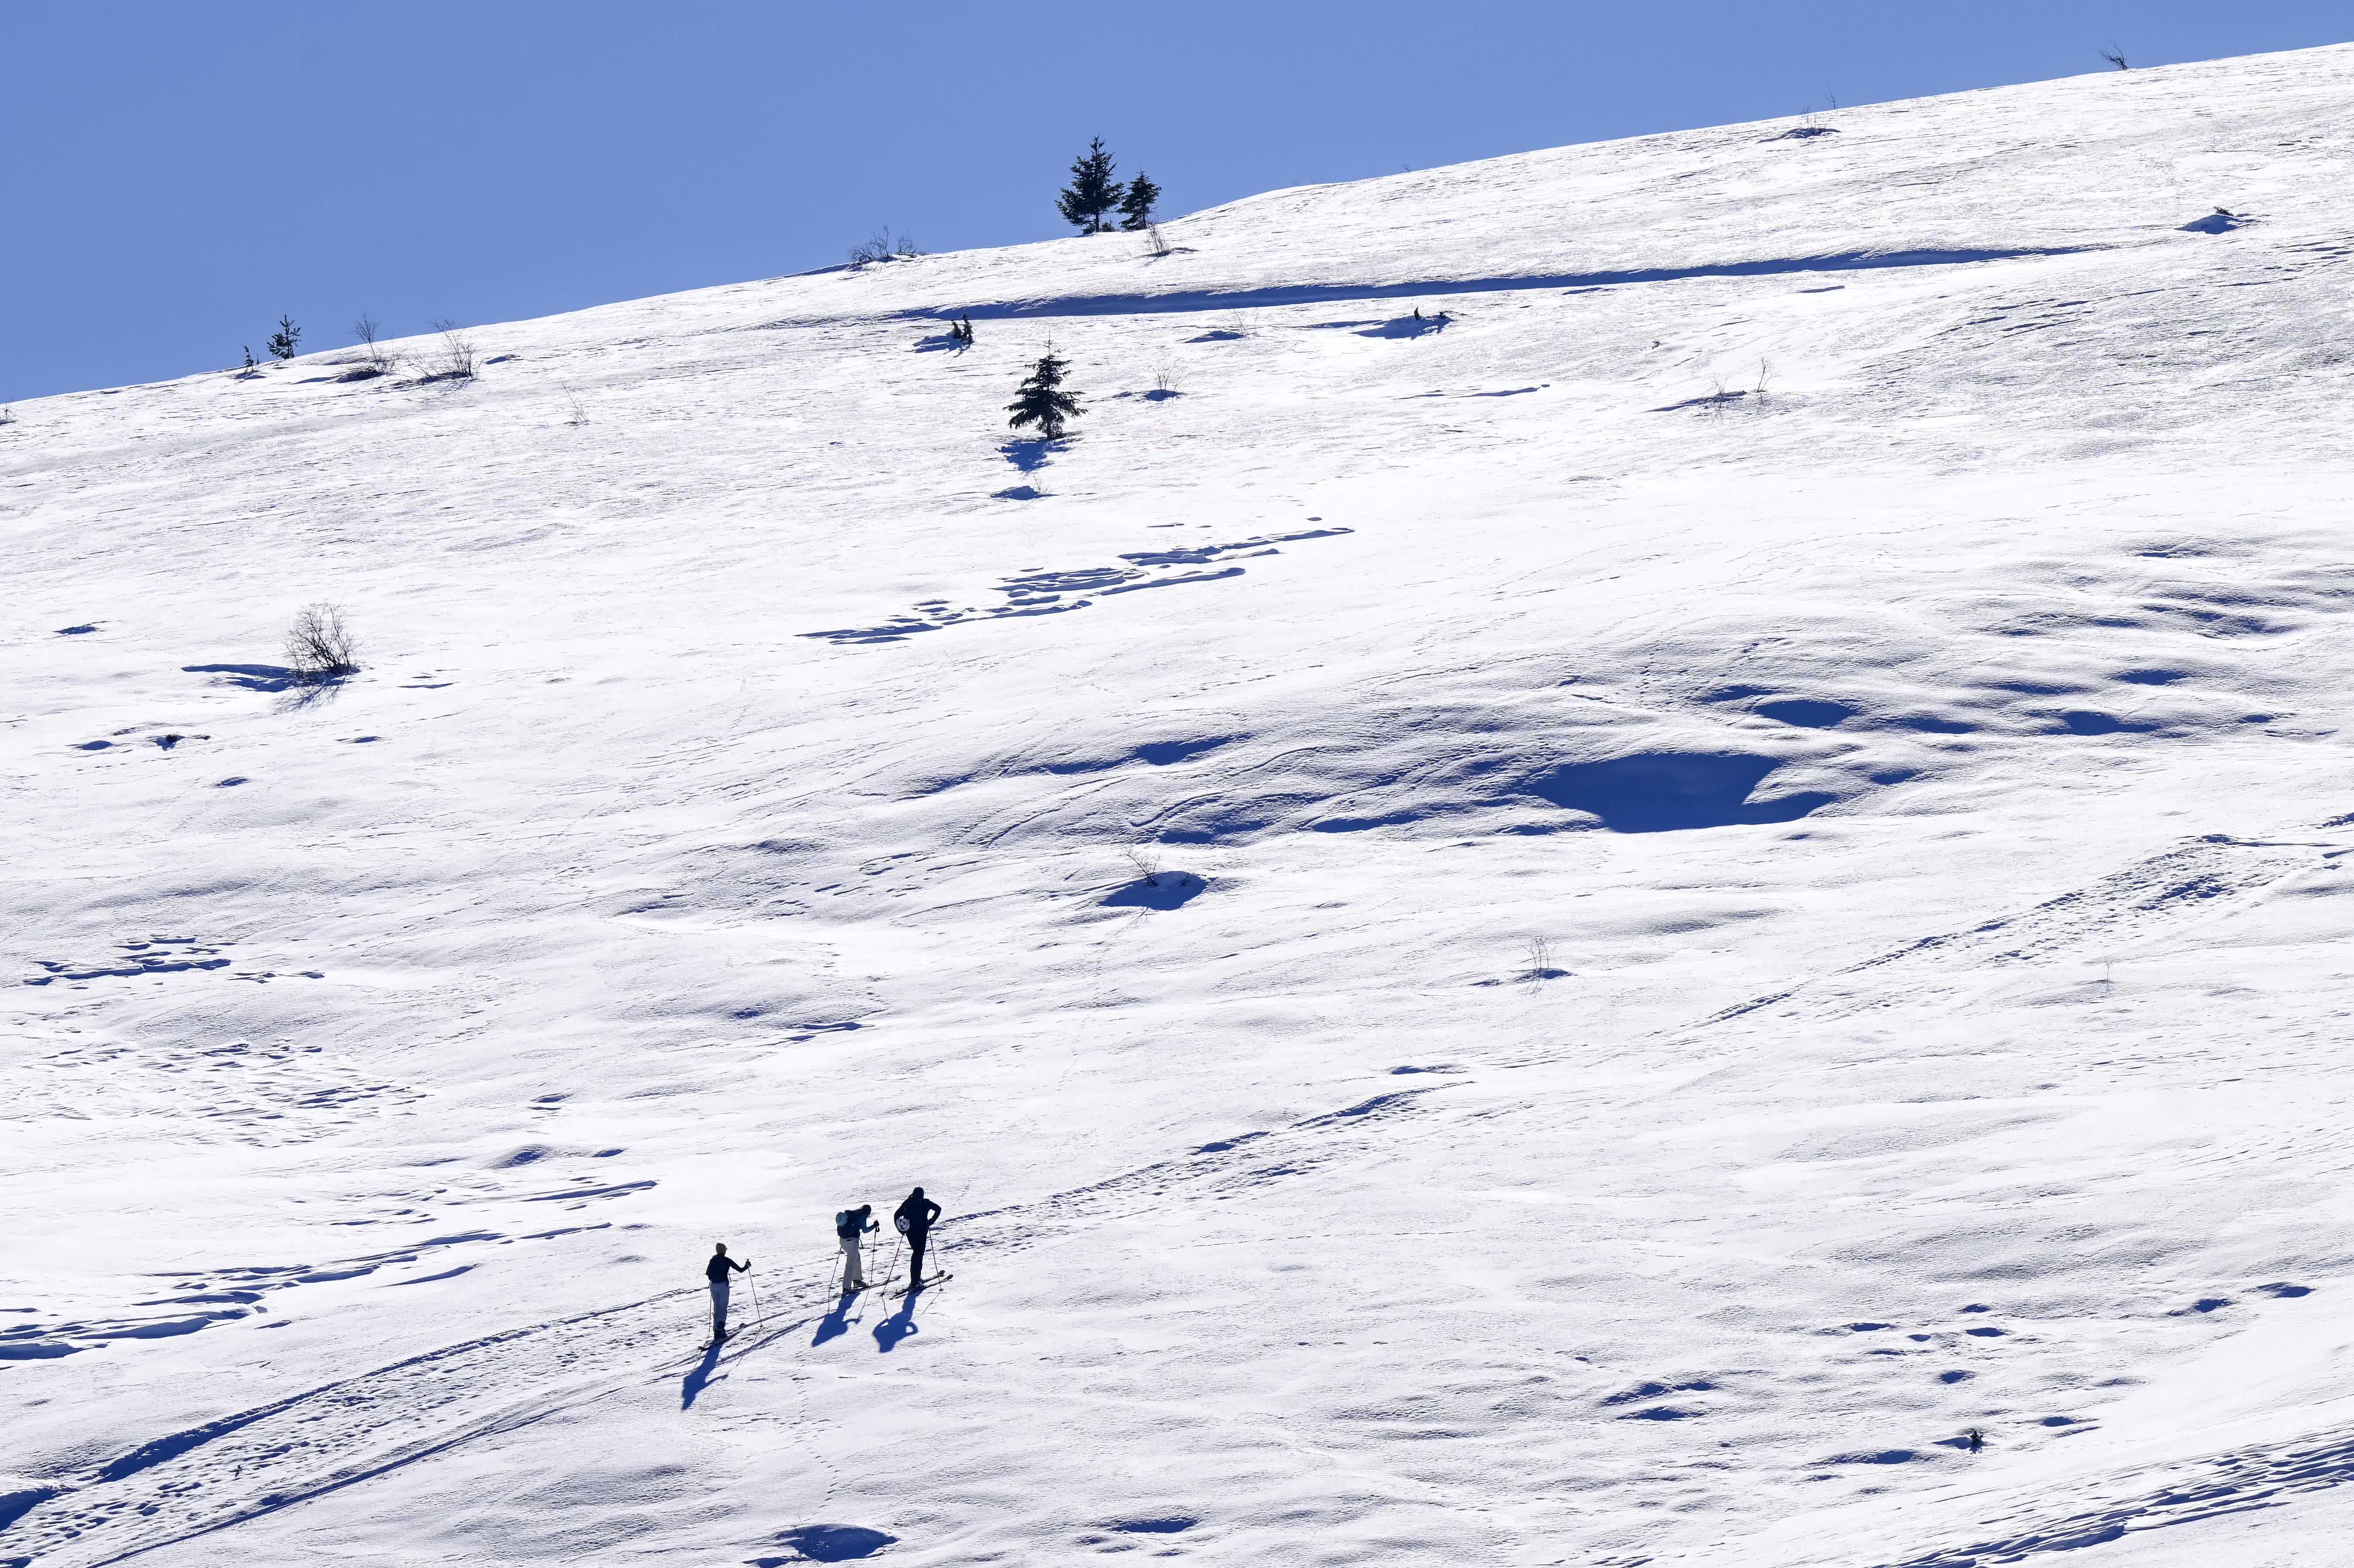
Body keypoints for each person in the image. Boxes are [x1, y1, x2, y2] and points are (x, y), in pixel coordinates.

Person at [895, 1186, 943, 1286]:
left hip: (910, 1232)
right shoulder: (925, 1202)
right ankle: (915, 1280)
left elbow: (896, 1215)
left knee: (916, 1253)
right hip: (922, 1231)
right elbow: (938, 1209)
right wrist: (931, 1222)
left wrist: (901, 1230)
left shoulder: (907, 1203)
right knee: (918, 1254)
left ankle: (915, 1279)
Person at [705, 1243, 749, 1341]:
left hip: (714, 1286)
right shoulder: (727, 1260)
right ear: (724, 1250)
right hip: (723, 1286)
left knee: (716, 1308)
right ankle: (720, 1330)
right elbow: (741, 1270)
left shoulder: (713, 1260)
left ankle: (716, 1330)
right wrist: (747, 1266)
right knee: (723, 1307)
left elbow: (708, 1273)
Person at [836, 1204, 879, 1291]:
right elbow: (865, 1230)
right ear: (868, 1212)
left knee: (856, 1258)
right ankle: (847, 1288)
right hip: (852, 1241)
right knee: (850, 1264)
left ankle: (857, 1281)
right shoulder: (862, 1216)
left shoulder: (853, 1214)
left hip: (843, 1240)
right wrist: (874, 1226)